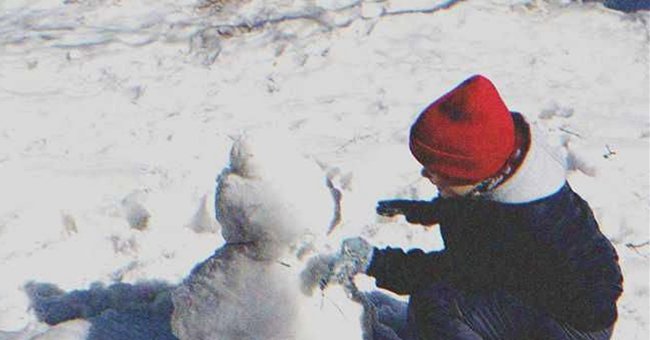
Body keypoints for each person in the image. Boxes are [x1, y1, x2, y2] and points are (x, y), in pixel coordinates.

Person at [320, 75, 623, 339]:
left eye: (438, 169)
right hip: (555, 296)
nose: (427, 175)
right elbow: (475, 212)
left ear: (472, 173)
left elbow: (452, 270)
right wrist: (425, 211)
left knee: (436, 302)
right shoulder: (510, 169)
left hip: (573, 326)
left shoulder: (520, 226)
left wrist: (375, 261)